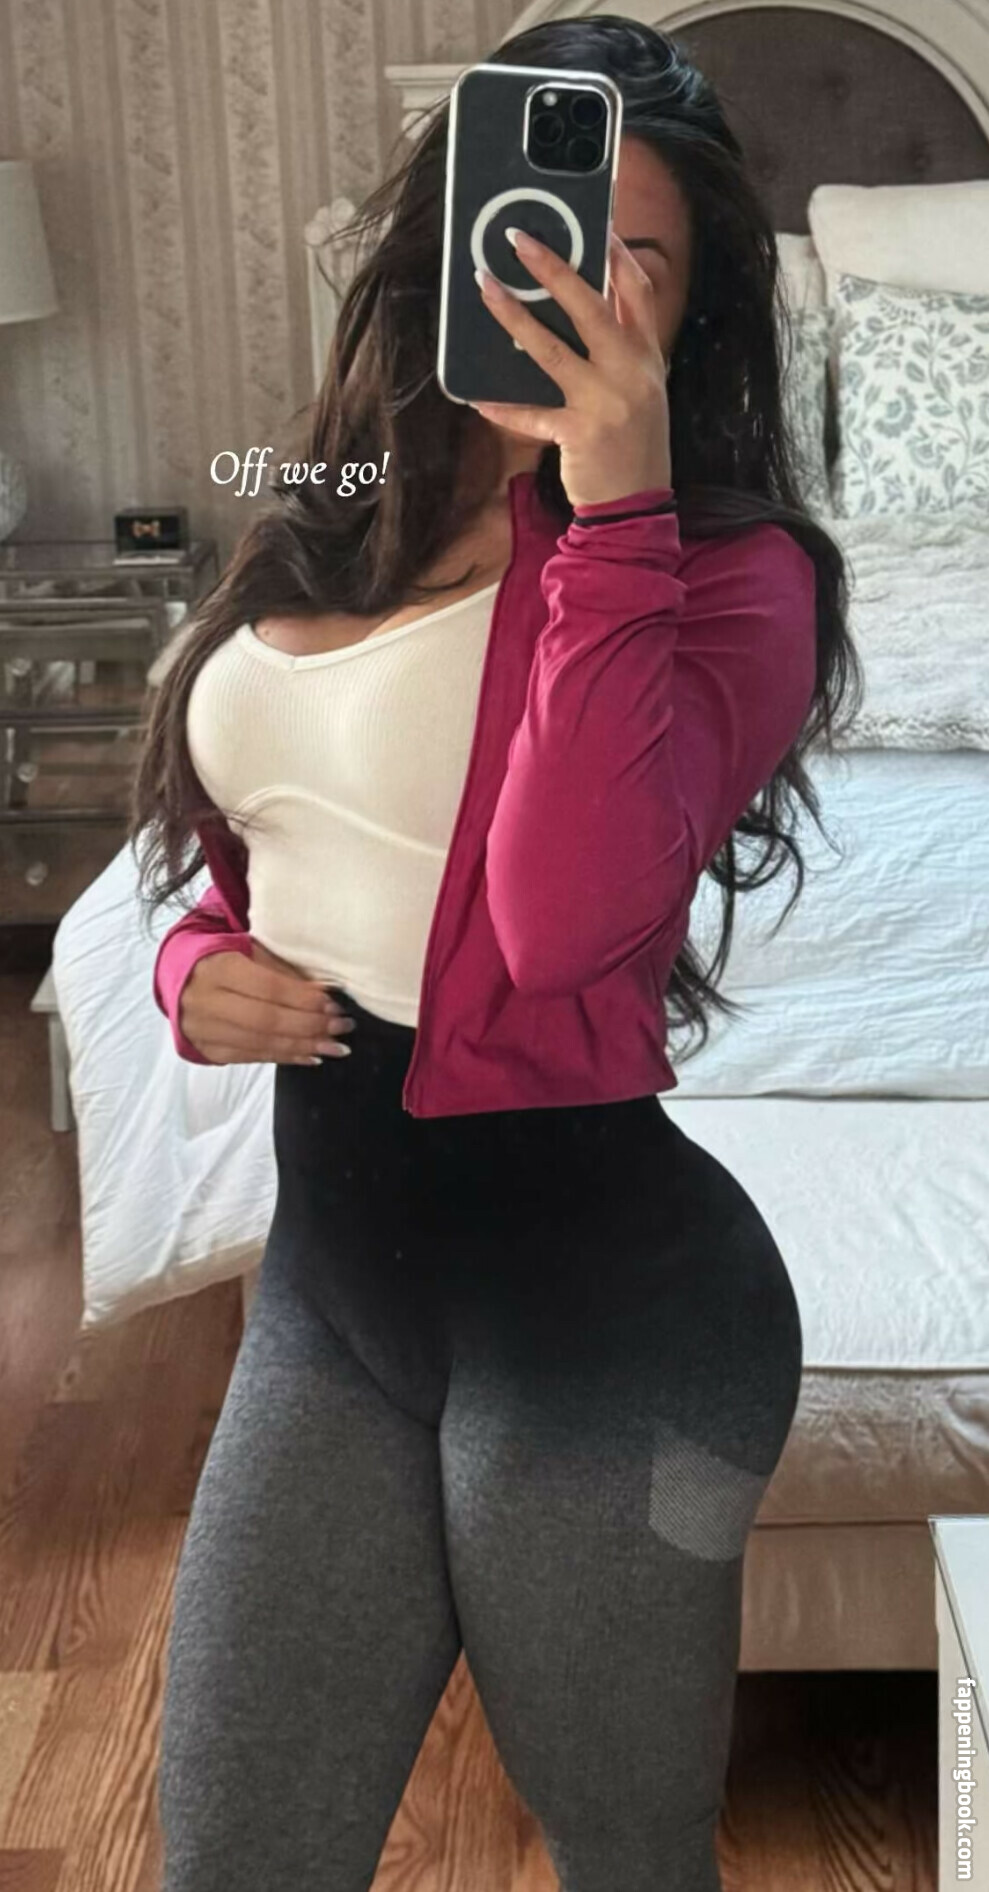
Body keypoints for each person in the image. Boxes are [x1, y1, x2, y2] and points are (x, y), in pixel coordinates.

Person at [132, 16, 860, 1891]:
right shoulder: (339, 500)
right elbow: (262, 818)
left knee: (626, 1854)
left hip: (616, 1323)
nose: (574, 286)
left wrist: (615, 511)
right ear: (451, 241)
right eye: (538, 229)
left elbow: (554, 926)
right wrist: (193, 968)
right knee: (232, 1853)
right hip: (333, 1295)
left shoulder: (735, 577)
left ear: (694, 316)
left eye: (638, 259)